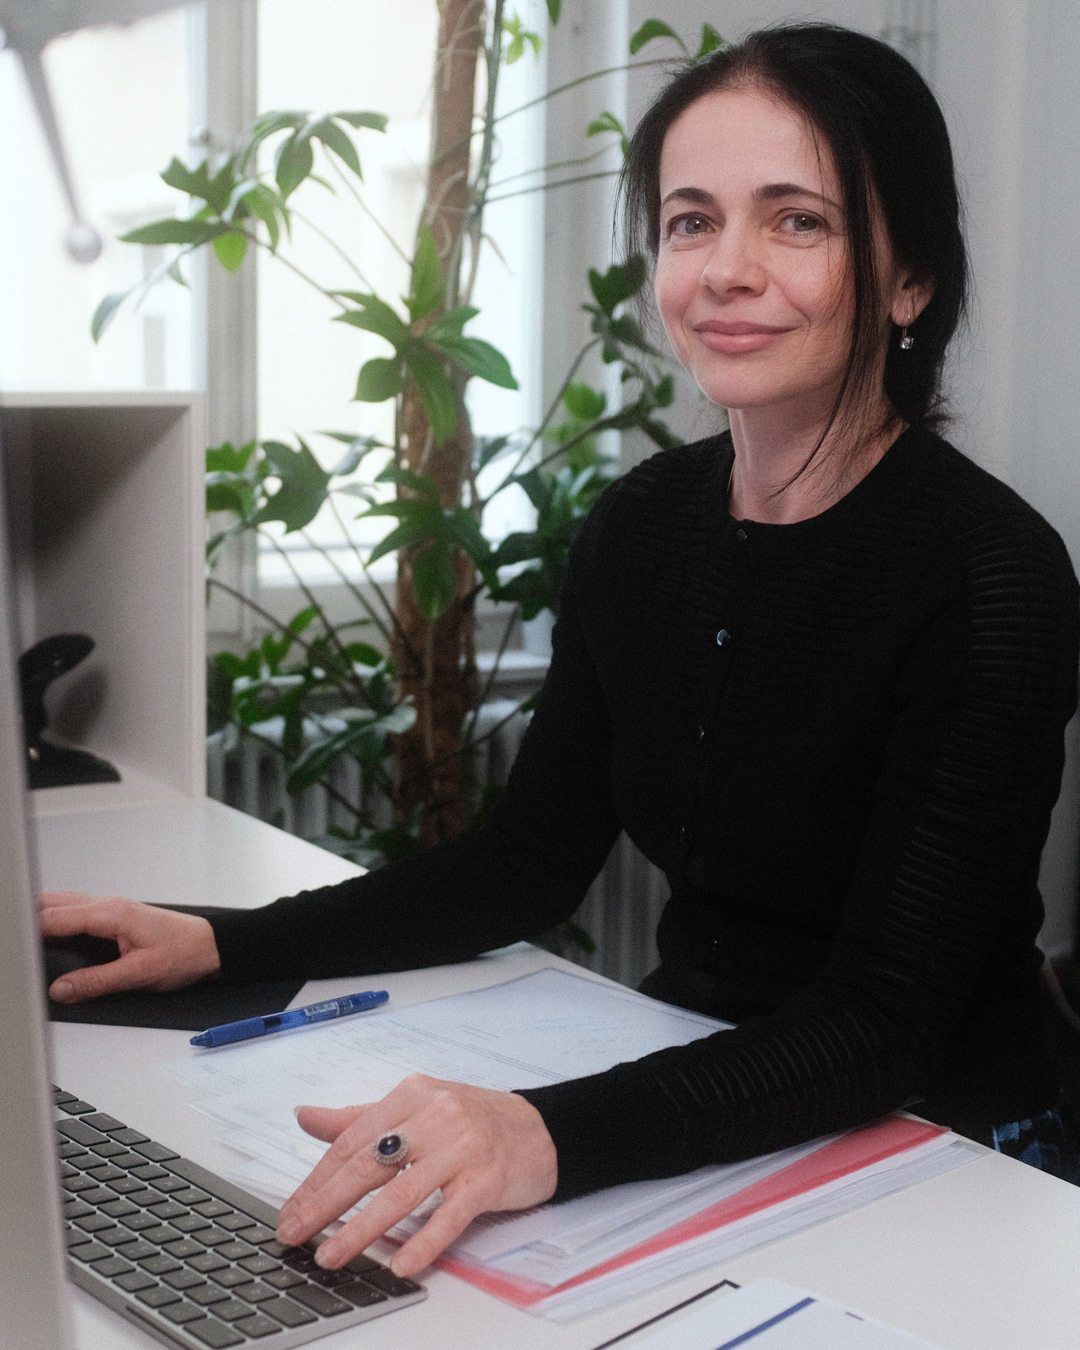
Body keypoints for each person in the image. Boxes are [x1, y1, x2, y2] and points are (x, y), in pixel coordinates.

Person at [40, 23, 1080, 1280]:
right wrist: (227, 945)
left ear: (909, 280)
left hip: (949, 1148)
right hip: (701, 1094)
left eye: (797, 220)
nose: (727, 269)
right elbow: (523, 865)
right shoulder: (644, 526)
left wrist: (536, 1134)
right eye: (691, 222)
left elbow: (882, 1023)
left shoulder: (992, 576)